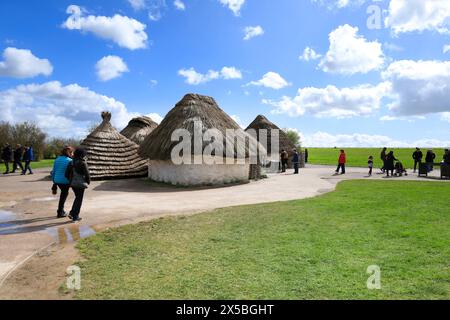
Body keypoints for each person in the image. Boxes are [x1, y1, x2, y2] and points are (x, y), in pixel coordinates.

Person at [66, 148, 90, 222]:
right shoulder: (83, 163)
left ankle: (72, 213)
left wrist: (70, 180)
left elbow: (66, 174)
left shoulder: (71, 162)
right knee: (79, 199)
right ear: (82, 154)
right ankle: (75, 216)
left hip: (72, 183)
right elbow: (87, 174)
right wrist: (88, 181)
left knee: (77, 198)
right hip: (80, 184)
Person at [51, 146, 74, 218]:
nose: (73, 154)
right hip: (64, 181)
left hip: (57, 180)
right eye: (72, 152)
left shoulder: (57, 159)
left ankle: (61, 211)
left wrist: (54, 181)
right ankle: (60, 212)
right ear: (69, 153)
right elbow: (71, 173)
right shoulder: (70, 161)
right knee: (63, 196)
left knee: (63, 194)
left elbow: (53, 171)